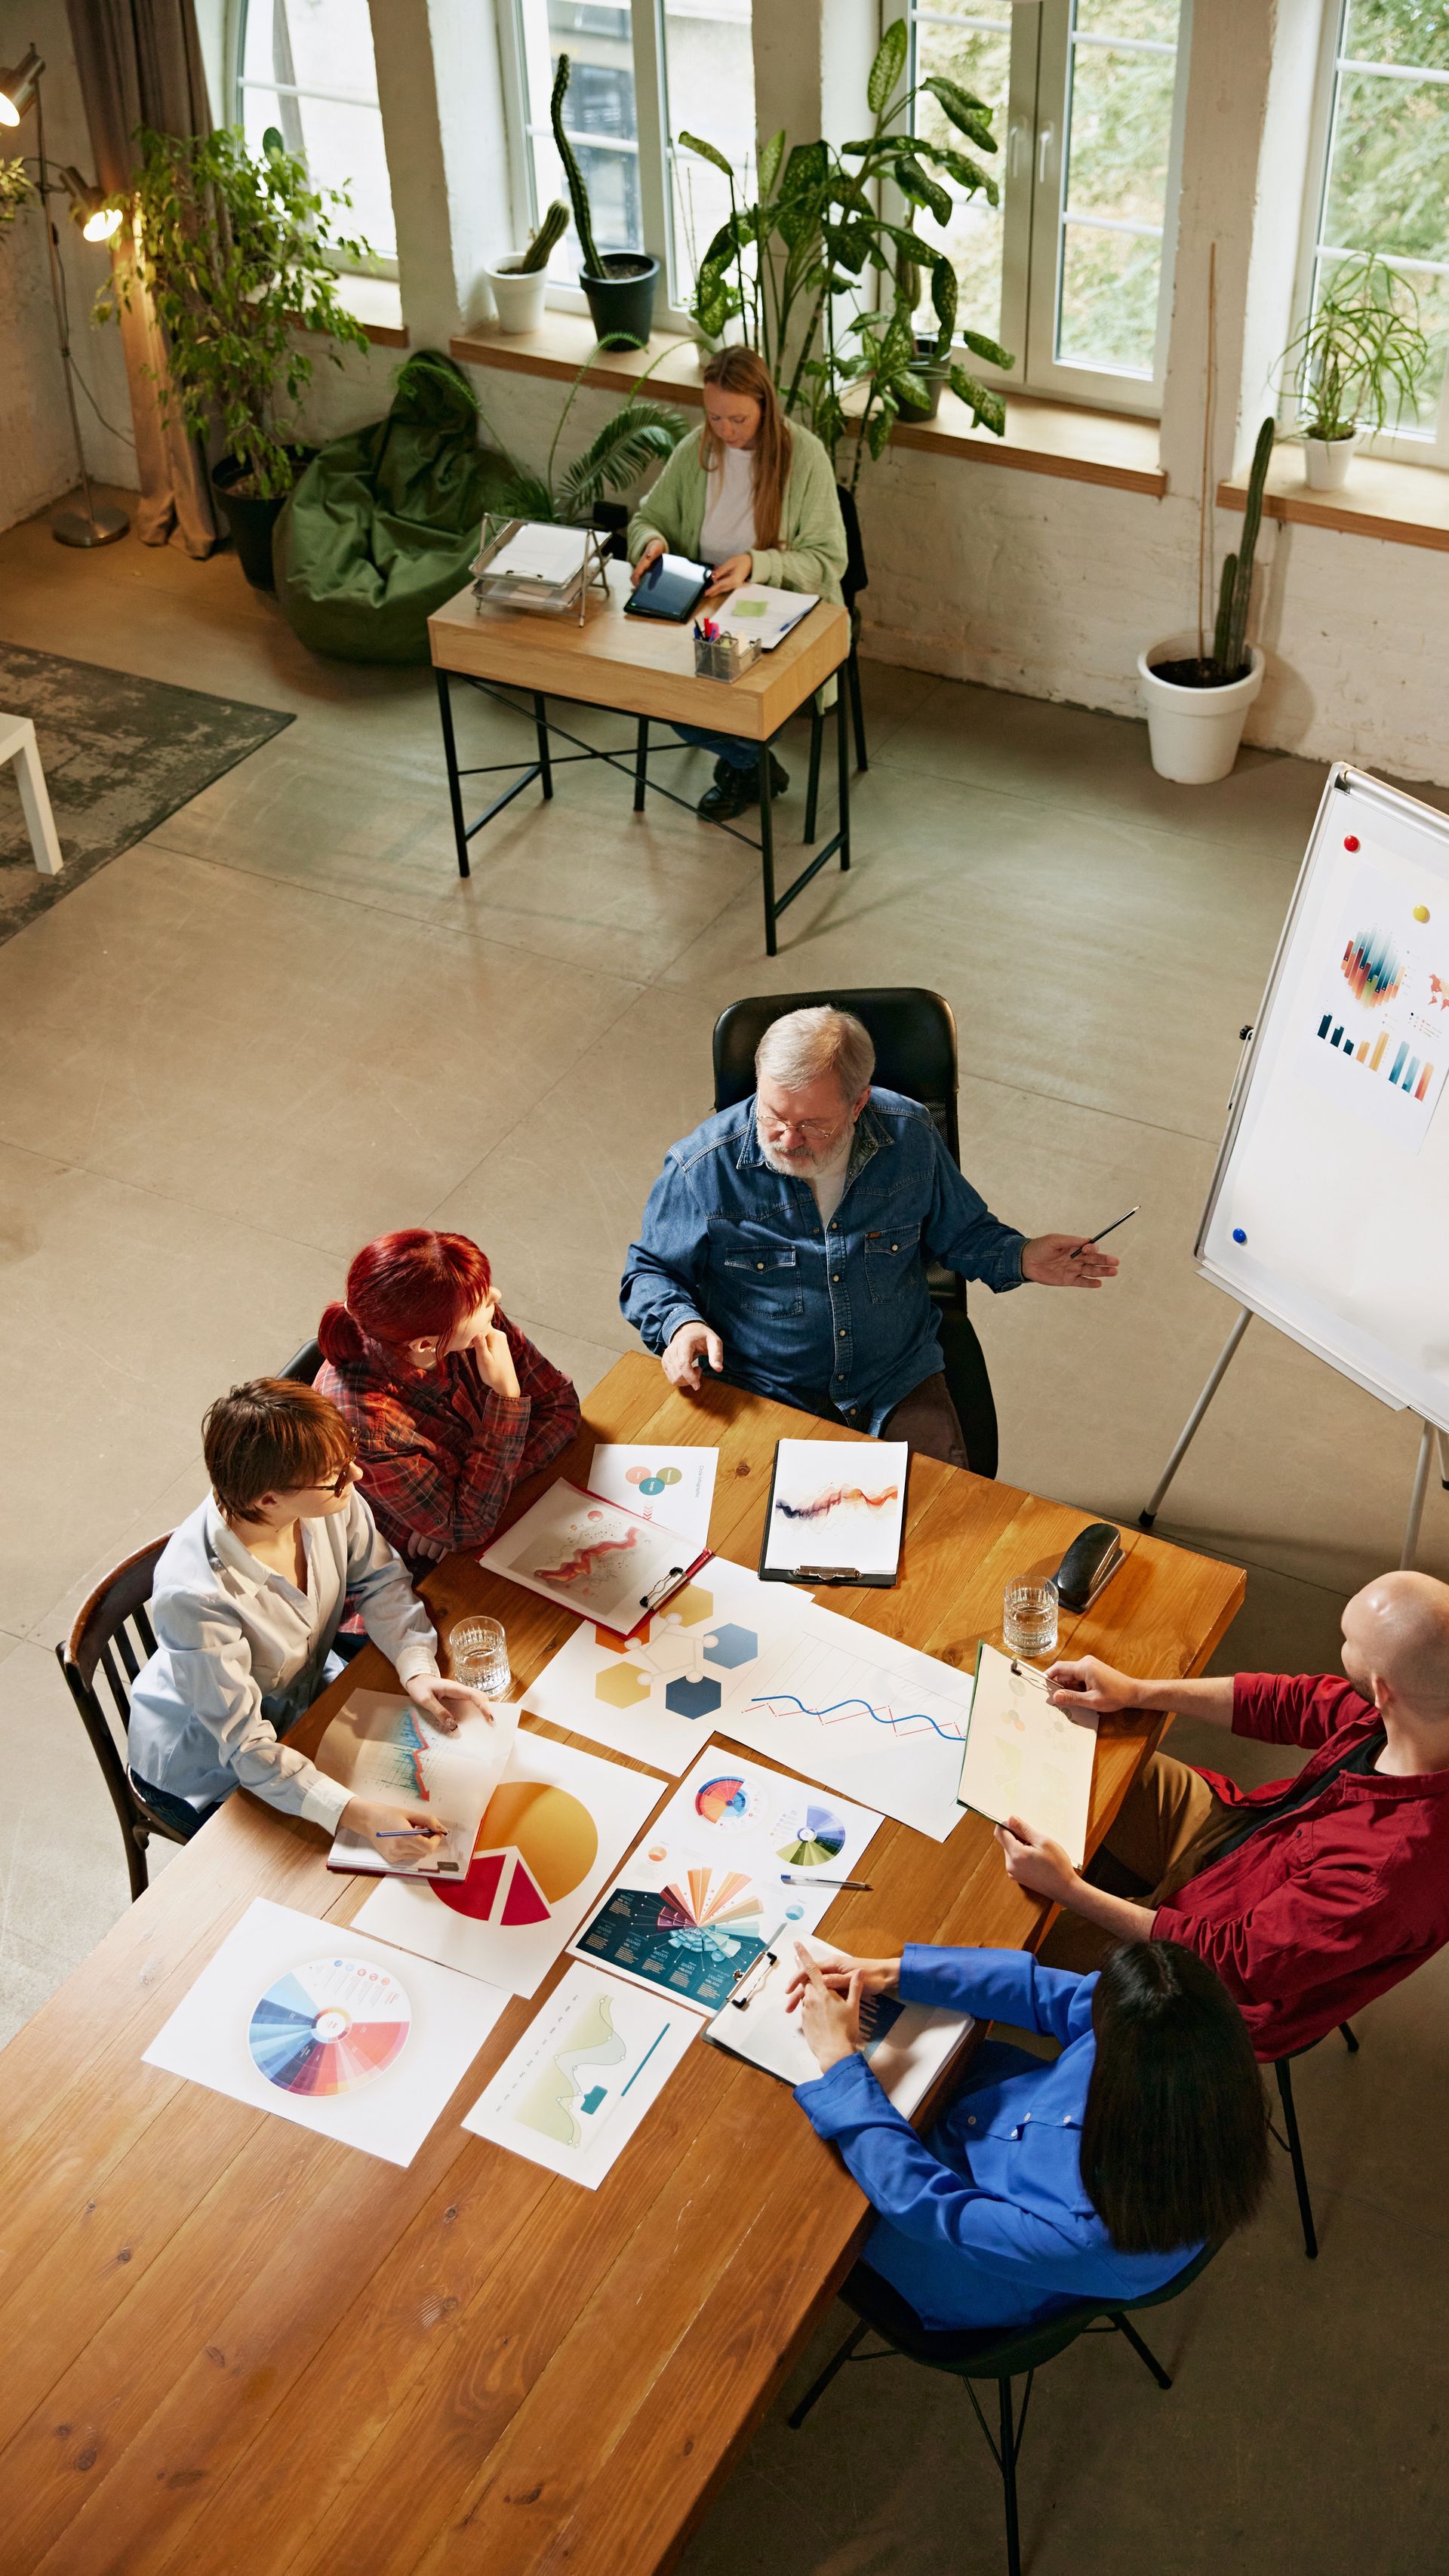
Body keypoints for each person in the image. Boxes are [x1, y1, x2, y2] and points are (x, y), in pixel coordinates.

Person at [620, 1005, 1119, 1467]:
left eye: (812, 1123)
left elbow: (962, 1230)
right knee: (758, 1539)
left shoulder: (910, 1135)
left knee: (939, 1529)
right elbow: (649, 1271)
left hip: (894, 1376)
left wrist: (1023, 1255)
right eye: (772, 1115)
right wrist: (679, 1325)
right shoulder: (701, 1167)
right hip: (765, 1385)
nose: (788, 1139)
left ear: (860, 1102)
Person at [995, 1568, 1449, 2060]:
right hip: (1242, 1840)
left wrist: (1068, 1890)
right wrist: (1136, 1691)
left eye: (1348, 1641)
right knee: (1094, 1763)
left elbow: (1234, 1960)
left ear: (1382, 1689)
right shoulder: (1416, 1716)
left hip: (1212, 1979)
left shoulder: (1387, 1873)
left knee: (1012, 1941)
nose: (1340, 1650)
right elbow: (1287, 1704)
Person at [788, 1937, 1268, 2333]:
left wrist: (839, 2062)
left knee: (791, 2184)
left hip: (955, 2248)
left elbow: (928, 2208)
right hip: (971, 2110)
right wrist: (893, 1972)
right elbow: (1043, 1991)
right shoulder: (1186, 2057)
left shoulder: (1086, 2231)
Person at [128, 1378, 494, 1854]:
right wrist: (360, 1816)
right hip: (208, 1763)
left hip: (301, 1701)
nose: (356, 1476)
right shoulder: (195, 1597)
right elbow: (246, 1750)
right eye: (337, 1475)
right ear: (268, 1500)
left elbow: (380, 1581)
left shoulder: (325, 1498)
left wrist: (416, 1666)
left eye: (350, 1456)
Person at [627, 345, 848, 820]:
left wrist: (757, 563)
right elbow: (649, 517)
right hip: (702, 603)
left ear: (765, 407)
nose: (725, 431)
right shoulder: (697, 449)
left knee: (708, 689)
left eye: (739, 419)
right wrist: (650, 544)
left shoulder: (804, 457)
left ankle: (744, 765)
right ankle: (751, 764)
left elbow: (830, 562)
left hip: (772, 608)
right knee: (656, 687)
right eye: (715, 417)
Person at [315, 1228, 579, 1571]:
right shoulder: (367, 1423)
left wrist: (483, 1497)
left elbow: (562, 1407)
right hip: (416, 1566)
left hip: (476, 1526)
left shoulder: (467, 1313)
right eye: (483, 1301)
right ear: (425, 1345)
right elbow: (465, 1529)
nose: (496, 1296)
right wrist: (507, 1400)